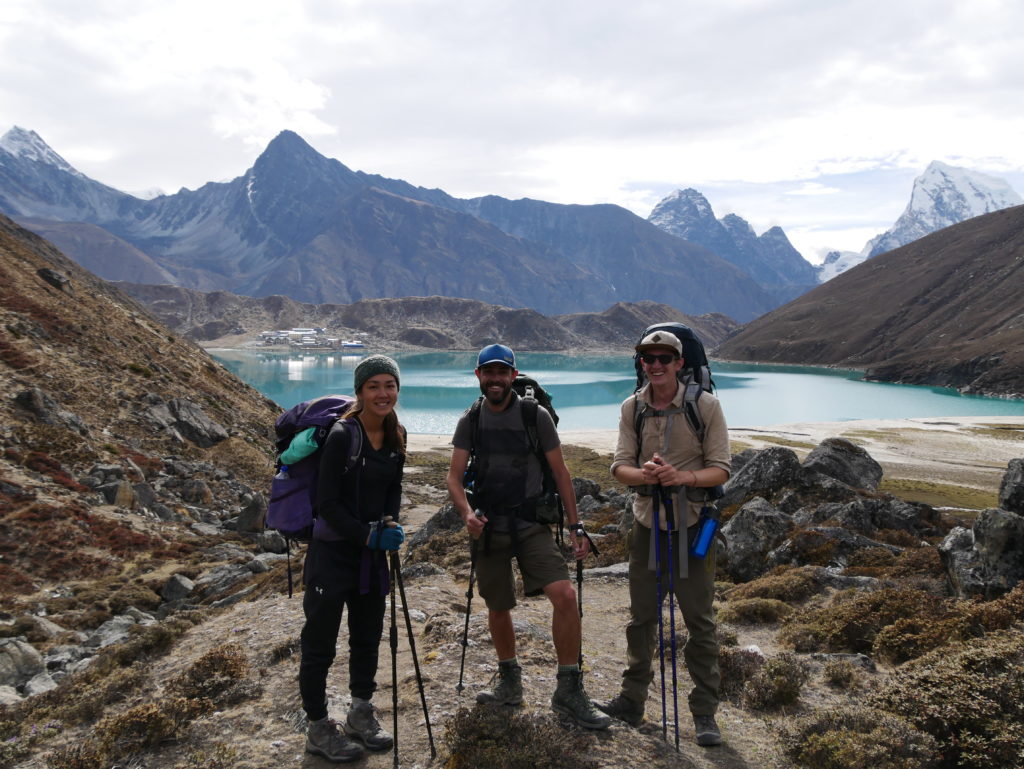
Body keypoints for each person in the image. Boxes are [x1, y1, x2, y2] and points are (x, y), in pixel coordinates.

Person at [445, 344, 611, 730]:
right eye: (489, 373)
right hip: (489, 527)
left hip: (531, 524)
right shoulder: (471, 418)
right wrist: (466, 514)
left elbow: (562, 473)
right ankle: (509, 681)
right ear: (478, 376)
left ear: (514, 376)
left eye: (503, 373)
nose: (496, 379)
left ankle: (569, 688)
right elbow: (453, 477)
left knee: (565, 596)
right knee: (498, 605)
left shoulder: (534, 416)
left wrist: (575, 525)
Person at [596, 330, 731, 747]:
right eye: (647, 358)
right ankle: (632, 699)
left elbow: (721, 469)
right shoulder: (632, 408)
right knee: (641, 619)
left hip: (692, 527)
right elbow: (620, 467)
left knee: (699, 621)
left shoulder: (705, 406)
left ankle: (704, 713)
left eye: (663, 358)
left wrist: (682, 477)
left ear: (678, 363)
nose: (655, 365)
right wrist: (646, 476)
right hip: (647, 526)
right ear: (641, 363)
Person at [300, 355, 407, 763]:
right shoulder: (344, 435)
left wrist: (391, 523)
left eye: (389, 385)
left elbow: (393, 487)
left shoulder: (396, 435)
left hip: (370, 557)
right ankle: (317, 728)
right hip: (333, 556)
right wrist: (367, 534)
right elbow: (326, 503)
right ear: (360, 392)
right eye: (374, 386)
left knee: (367, 636)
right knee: (320, 644)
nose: (383, 393)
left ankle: (361, 713)